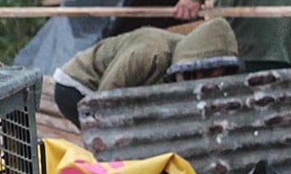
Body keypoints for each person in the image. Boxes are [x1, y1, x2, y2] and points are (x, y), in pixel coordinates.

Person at [50, 17, 240, 127]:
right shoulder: (148, 53)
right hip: (78, 86)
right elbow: (104, 97)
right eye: (207, 73)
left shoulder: (184, 55)